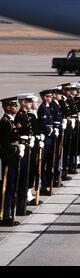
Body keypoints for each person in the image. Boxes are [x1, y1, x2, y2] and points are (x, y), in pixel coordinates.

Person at [0, 97, 21, 226]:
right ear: (7, 107)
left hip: (12, 158)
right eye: (13, 105)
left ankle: (8, 214)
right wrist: (15, 149)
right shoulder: (4, 122)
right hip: (7, 159)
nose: (16, 107)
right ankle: (5, 215)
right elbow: (4, 143)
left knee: (11, 187)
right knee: (7, 187)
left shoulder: (11, 121)